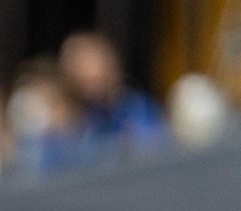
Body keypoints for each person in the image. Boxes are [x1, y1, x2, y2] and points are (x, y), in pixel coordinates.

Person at [57, 32, 169, 164]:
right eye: (86, 82)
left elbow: (157, 146)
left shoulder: (134, 109)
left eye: (98, 80)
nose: (93, 89)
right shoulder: (68, 119)